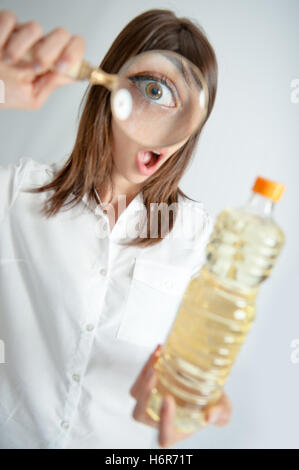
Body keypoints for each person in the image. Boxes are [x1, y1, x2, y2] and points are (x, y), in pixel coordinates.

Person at [0, 8, 232, 449]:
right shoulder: (15, 194)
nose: (169, 124)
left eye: (192, 106)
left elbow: (205, 382)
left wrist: (200, 406)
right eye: (155, 89)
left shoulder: (199, 240)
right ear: (109, 91)